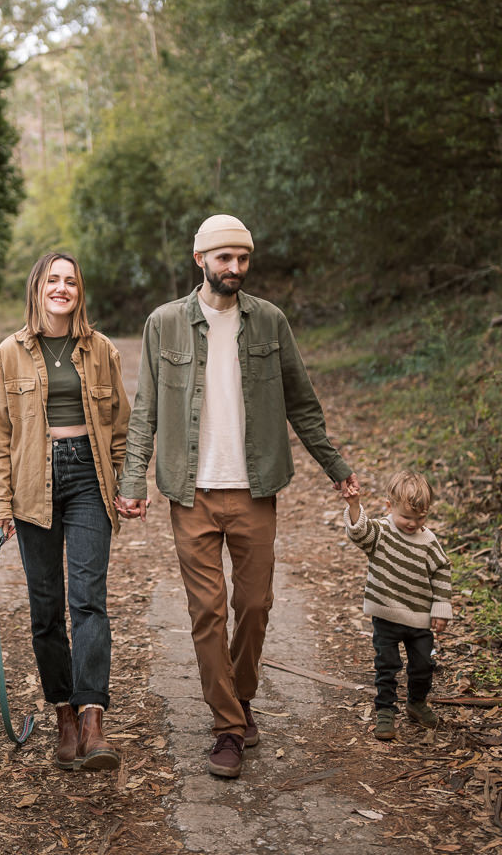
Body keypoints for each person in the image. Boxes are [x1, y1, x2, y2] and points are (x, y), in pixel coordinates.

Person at [116, 213, 357, 780]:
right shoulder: (164, 323)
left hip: (254, 489)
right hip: (190, 491)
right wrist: (132, 481)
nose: (235, 269)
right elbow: (145, 408)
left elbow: (302, 402)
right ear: (199, 259)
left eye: (243, 259)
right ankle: (227, 726)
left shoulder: (270, 322)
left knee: (254, 606)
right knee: (207, 611)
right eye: (224, 258)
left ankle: (241, 697)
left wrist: (336, 468)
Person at [0, 252, 130, 772]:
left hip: (89, 475)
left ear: (78, 291)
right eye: (53, 280)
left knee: (88, 600)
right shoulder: (8, 354)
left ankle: (93, 719)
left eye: (70, 281)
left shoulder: (101, 350)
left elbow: (120, 425)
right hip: (31, 487)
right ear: (37, 288)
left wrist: (127, 482)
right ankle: (63, 712)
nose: (62, 288)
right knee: (46, 609)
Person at [344, 470, 452, 741]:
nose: (413, 524)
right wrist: (355, 506)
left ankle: (416, 702)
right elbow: (360, 534)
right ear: (389, 506)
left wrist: (440, 607)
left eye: (420, 518)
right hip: (386, 616)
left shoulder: (429, 542)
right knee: (387, 664)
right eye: (406, 517)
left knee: (422, 665)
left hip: (418, 620)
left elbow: (441, 571)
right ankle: (385, 710)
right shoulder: (381, 532)